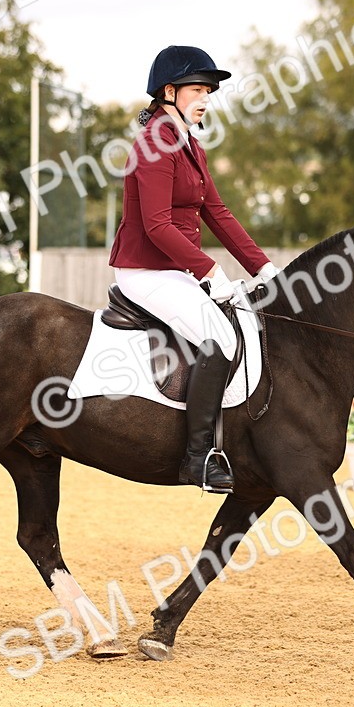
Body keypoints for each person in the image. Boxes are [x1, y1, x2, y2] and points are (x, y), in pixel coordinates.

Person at [109, 45, 281, 493]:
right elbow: (156, 225)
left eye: (209, 91)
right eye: (198, 89)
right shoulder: (152, 144)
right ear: (169, 91)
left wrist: (265, 269)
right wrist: (209, 271)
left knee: (243, 321)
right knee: (220, 337)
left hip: (178, 270)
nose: (206, 98)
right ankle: (197, 458)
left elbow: (218, 213)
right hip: (145, 270)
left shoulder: (190, 146)